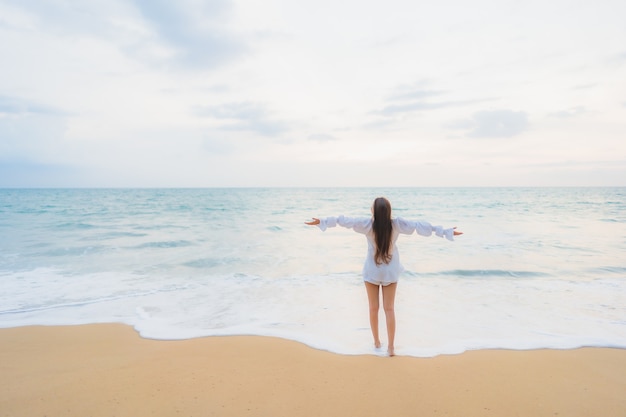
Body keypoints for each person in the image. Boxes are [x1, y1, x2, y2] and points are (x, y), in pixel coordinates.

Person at [305, 197, 462, 356]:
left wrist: (322, 221)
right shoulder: (397, 224)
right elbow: (421, 226)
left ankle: (377, 342)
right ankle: (391, 347)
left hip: (372, 271)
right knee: (389, 309)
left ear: (373, 210)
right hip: (390, 271)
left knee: (373, 308)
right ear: (389, 211)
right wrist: (446, 232)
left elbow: (344, 221)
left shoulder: (367, 224)